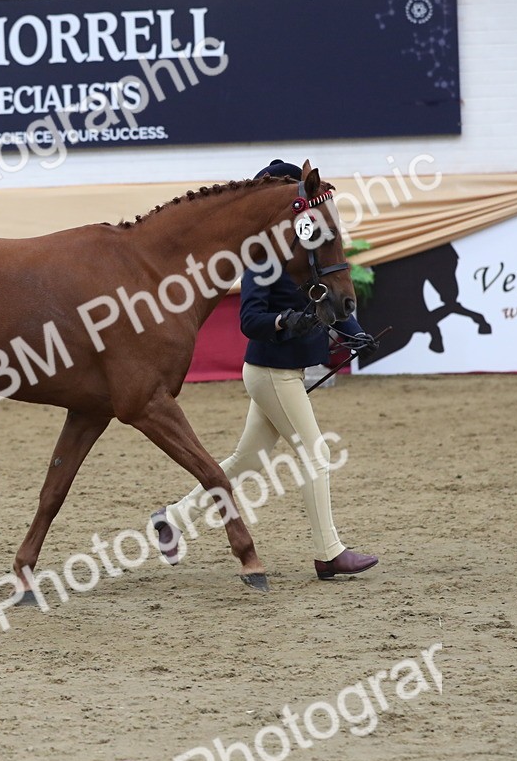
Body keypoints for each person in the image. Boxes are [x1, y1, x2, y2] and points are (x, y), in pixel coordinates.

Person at [151, 159, 380, 580]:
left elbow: (329, 295)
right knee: (316, 453)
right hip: (272, 371)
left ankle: (173, 519)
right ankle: (329, 552)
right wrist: (286, 322)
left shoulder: (305, 250)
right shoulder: (263, 259)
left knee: (247, 459)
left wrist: (356, 332)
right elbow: (250, 320)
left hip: (286, 371)